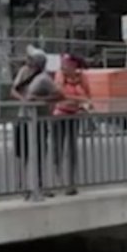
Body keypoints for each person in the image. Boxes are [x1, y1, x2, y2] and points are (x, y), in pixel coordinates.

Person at [11, 50, 60, 196]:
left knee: (38, 154)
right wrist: (24, 100)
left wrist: (40, 100)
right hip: (23, 119)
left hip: (39, 121)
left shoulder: (44, 78)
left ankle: (39, 185)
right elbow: (13, 90)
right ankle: (23, 186)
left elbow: (58, 94)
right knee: (22, 154)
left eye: (31, 61)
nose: (28, 63)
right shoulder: (23, 72)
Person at [52, 54, 92, 196]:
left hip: (74, 115)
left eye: (67, 64)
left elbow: (88, 95)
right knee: (58, 147)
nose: (64, 67)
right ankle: (57, 179)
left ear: (74, 66)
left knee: (72, 148)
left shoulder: (81, 77)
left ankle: (71, 180)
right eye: (63, 64)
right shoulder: (60, 75)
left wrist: (82, 104)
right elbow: (59, 94)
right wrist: (78, 99)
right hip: (60, 114)